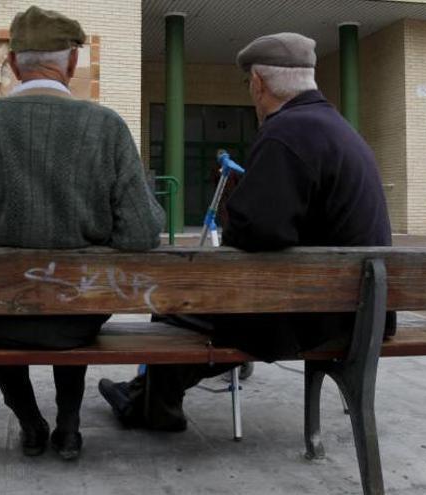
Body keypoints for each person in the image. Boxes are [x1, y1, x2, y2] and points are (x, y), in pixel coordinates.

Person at [98, 32, 394, 432]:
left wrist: (233, 203)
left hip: (313, 319)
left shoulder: (285, 132)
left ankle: (154, 404)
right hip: (361, 313)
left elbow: (253, 235)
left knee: (174, 307)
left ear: (257, 83)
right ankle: (144, 395)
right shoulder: (336, 127)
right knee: (201, 308)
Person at [0, 6, 164, 459]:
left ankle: (31, 422)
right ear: (72, 63)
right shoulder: (106, 126)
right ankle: (69, 425)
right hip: (80, 317)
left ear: (13, 64)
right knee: (70, 300)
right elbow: (140, 233)